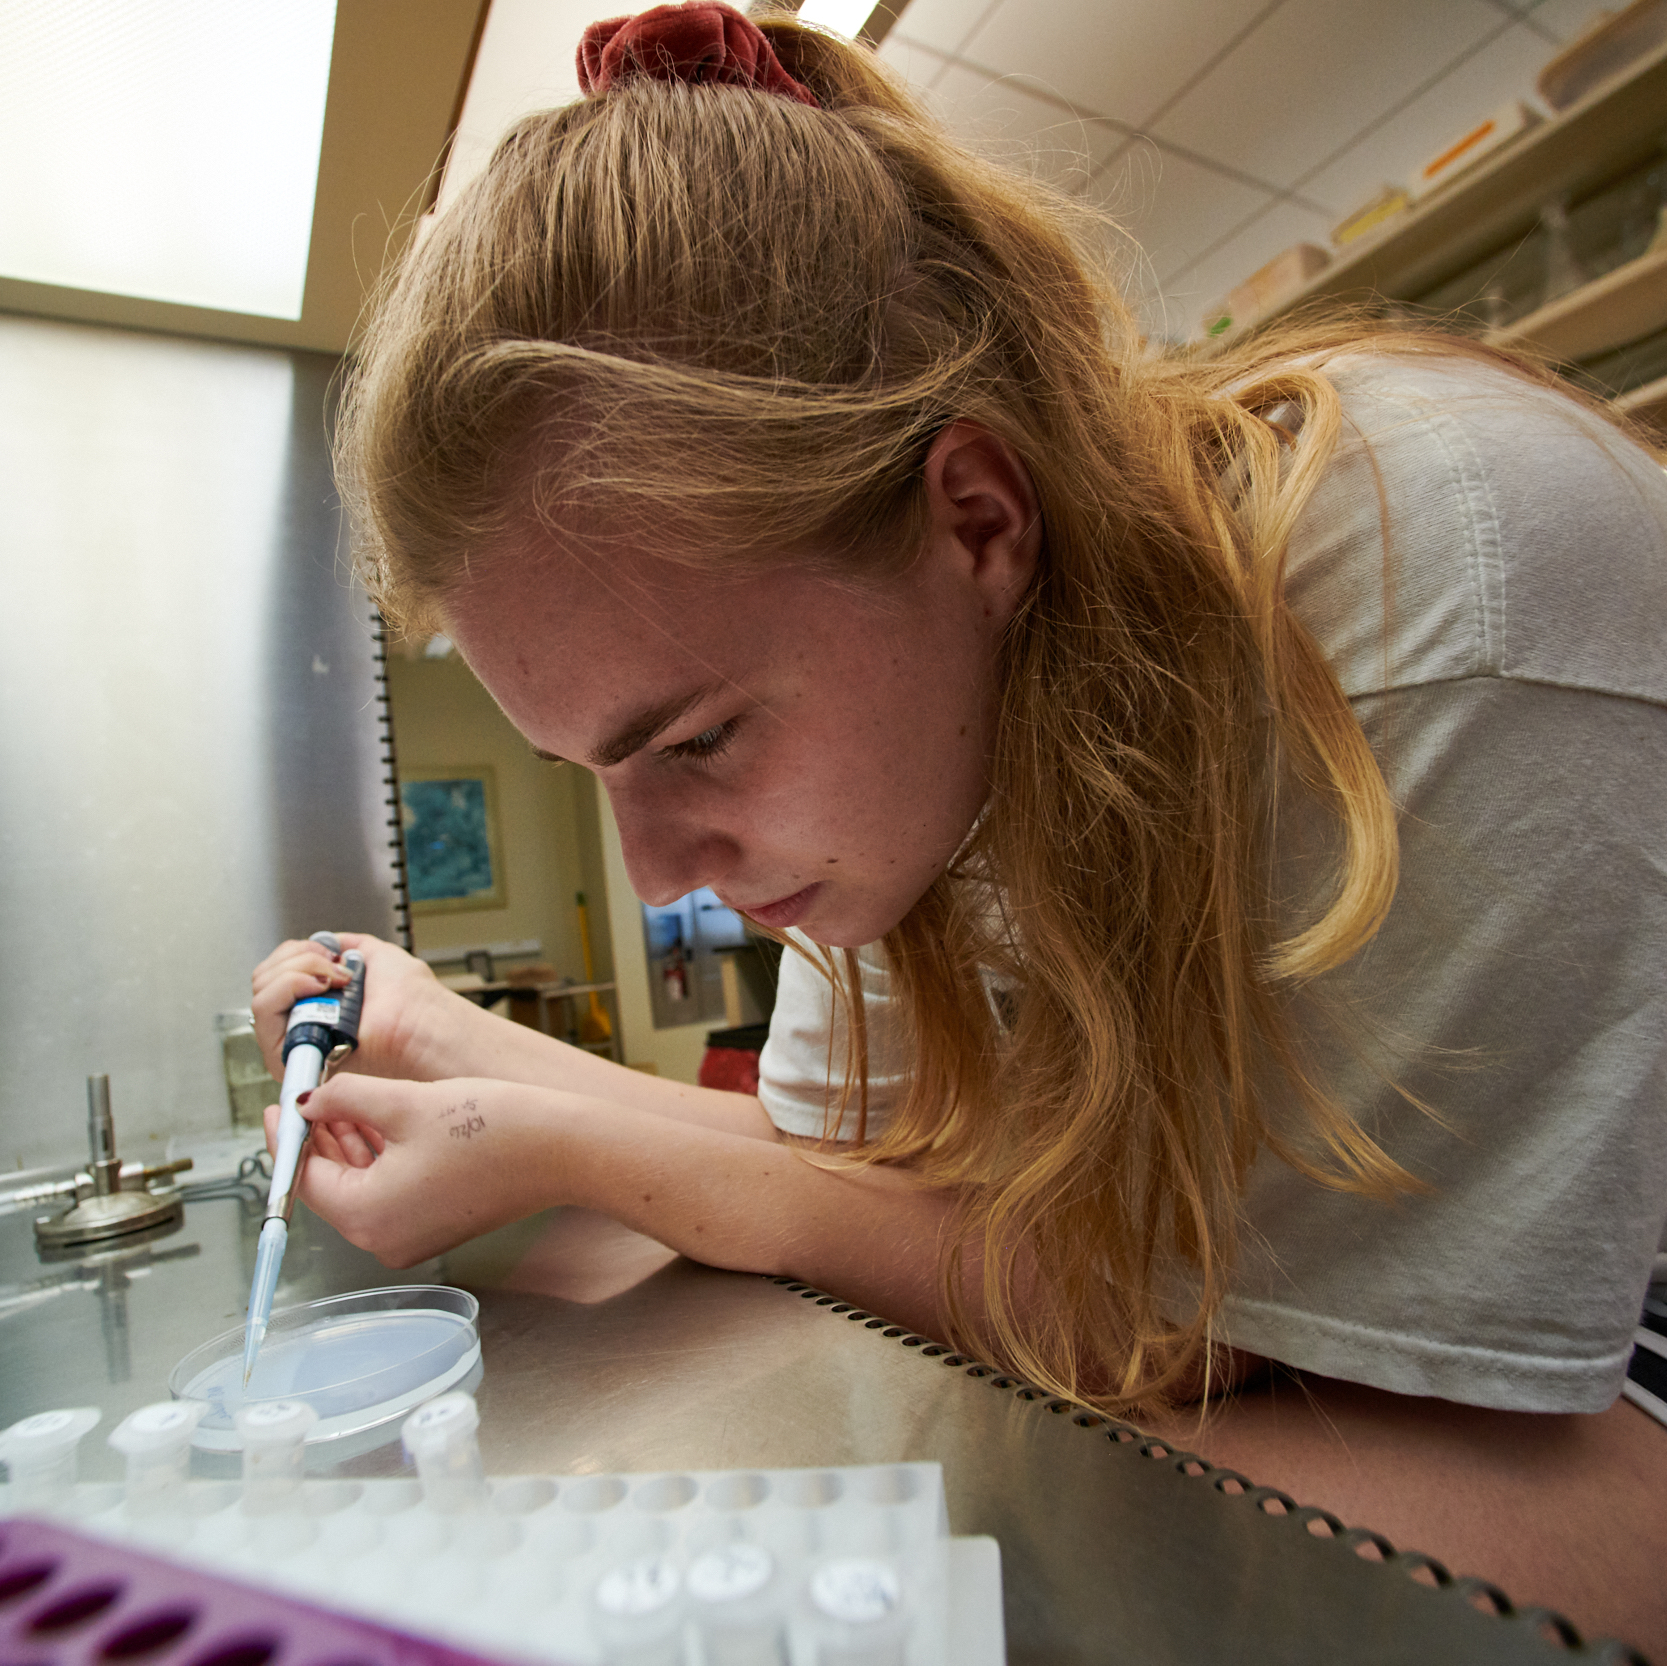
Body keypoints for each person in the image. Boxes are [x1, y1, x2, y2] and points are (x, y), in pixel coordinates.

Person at [253, 2, 1667, 1646]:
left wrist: (554, 1140)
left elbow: (1206, 1337)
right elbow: (857, 1175)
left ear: (975, 518)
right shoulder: (920, 740)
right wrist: (462, 1046)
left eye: (699, 736)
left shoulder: (1437, 584)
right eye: (600, 771)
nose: (659, 873)